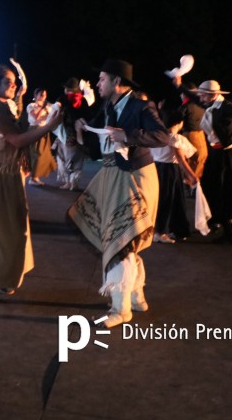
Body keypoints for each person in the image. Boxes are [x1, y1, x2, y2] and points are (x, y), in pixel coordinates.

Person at [68, 59, 170, 328]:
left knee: (121, 239)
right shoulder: (108, 105)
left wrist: (128, 135)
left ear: (116, 82)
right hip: (113, 173)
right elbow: (97, 137)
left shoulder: (140, 105)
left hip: (134, 177)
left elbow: (162, 136)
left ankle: (121, 308)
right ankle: (135, 296)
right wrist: (81, 128)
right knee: (123, 239)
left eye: (102, 79)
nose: (98, 84)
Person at [0, 64, 61, 300]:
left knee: (6, 230)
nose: (14, 85)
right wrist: (49, 126)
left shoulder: (2, 105)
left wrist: (39, 123)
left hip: (2, 174)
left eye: (14, 81)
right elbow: (17, 140)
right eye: (8, 81)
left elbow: (18, 133)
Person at [194, 79, 232, 244]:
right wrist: (178, 84)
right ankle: (214, 221)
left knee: (224, 191)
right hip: (215, 153)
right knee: (209, 186)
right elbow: (191, 98)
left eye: (202, 95)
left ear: (211, 95)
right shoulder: (211, 105)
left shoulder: (226, 107)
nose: (199, 98)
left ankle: (230, 232)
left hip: (226, 156)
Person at [150, 108, 199, 243]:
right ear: (179, 123)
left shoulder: (157, 135)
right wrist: (192, 175)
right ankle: (162, 232)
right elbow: (181, 159)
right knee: (170, 201)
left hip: (155, 168)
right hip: (170, 170)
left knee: (159, 200)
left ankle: (158, 230)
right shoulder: (175, 138)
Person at [54, 77, 94, 191]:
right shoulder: (83, 100)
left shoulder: (63, 99)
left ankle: (69, 182)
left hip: (67, 134)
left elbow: (55, 113)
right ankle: (73, 183)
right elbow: (88, 116)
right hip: (78, 133)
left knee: (65, 158)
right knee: (76, 158)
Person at [171, 79, 208, 179]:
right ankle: (196, 181)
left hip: (191, 135)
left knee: (191, 159)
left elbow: (175, 120)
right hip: (202, 134)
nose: (180, 96)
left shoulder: (186, 106)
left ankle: (189, 182)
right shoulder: (201, 105)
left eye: (182, 93)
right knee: (201, 158)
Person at [26, 88, 57, 185]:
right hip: (34, 130)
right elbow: (36, 118)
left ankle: (35, 176)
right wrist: (43, 108)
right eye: (41, 94)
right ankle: (33, 177)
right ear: (35, 95)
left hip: (44, 130)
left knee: (44, 154)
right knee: (36, 153)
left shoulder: (48, 107)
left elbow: (51, 117)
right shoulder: (31, 106)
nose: (43, 97)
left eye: (44, 95)